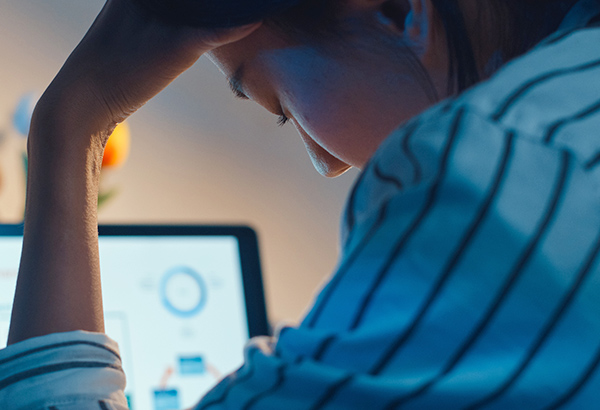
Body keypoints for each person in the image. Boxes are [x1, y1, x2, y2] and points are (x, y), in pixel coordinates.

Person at [1, 0, 600, 408]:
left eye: (280, 107)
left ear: (398, 9)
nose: (327, 162)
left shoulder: (491, 166)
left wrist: (72, 120)